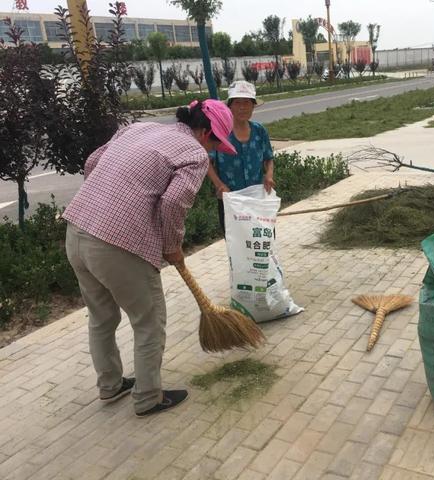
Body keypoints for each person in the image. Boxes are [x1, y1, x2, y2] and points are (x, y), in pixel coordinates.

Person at [63, 100, 236, 417]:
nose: (212, 151)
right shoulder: (194, 154)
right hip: (117, 246)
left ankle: (111, 386)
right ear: (204, 131)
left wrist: (105, 200)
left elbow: (92, 162)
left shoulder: (139, 128)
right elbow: (173, 203)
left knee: (101, 318)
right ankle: (147, 397)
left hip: (76, 231)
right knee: (150, 322)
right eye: (214, 142)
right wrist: (172, 245)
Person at [207, 81, 275, 234]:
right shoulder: (220, 133)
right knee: (237, 248)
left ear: (253, 106)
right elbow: (207, 163)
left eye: (247, 103)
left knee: (262, 244)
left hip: (257, 199)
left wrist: (269, 175)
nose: (242, 107)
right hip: (230, 200)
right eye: (237, 103)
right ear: (230, 106)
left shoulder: (259, 131)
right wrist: (219, 185)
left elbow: (268, 158)